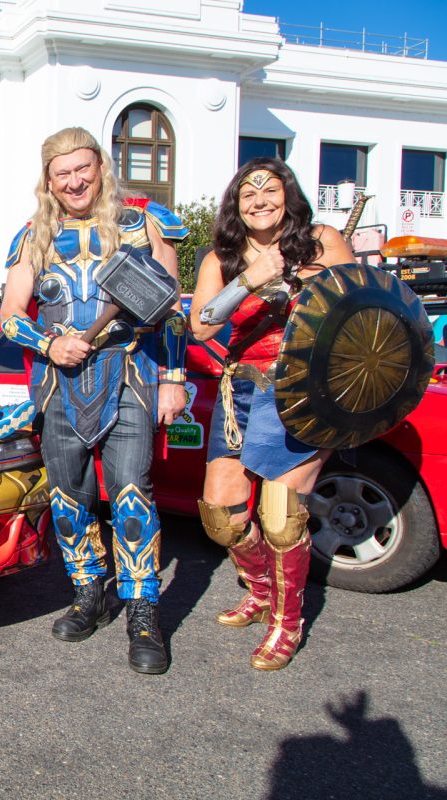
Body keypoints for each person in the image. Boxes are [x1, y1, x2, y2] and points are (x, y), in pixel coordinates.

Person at [0, 127, 189, 674]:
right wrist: (49, 342)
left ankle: (143, 611)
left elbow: (169, 306)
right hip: (58, 383)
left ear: (100, 168)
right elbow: (11, 314)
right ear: (49, 181)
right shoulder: (33, 235)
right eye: (63, 173)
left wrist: (173, 378)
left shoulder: (145, 222)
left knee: (133, 491)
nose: (75, 180)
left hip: (128, 371)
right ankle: (89, 593)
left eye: (84, 168)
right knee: (69, 495)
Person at [189, 157, 354, 671]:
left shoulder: (322, 238)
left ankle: (288, 620)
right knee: (222, 515)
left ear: (289, 195)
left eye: (270, 189)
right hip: (241, 389)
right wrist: (253, 279)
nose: (259, 200)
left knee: (282, 519)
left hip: (304, 388)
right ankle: (261, 593)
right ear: (235, 204)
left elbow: (363, 310)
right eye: (248, 193)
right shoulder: (222, 257)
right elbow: (201, 327)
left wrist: (308, 275)